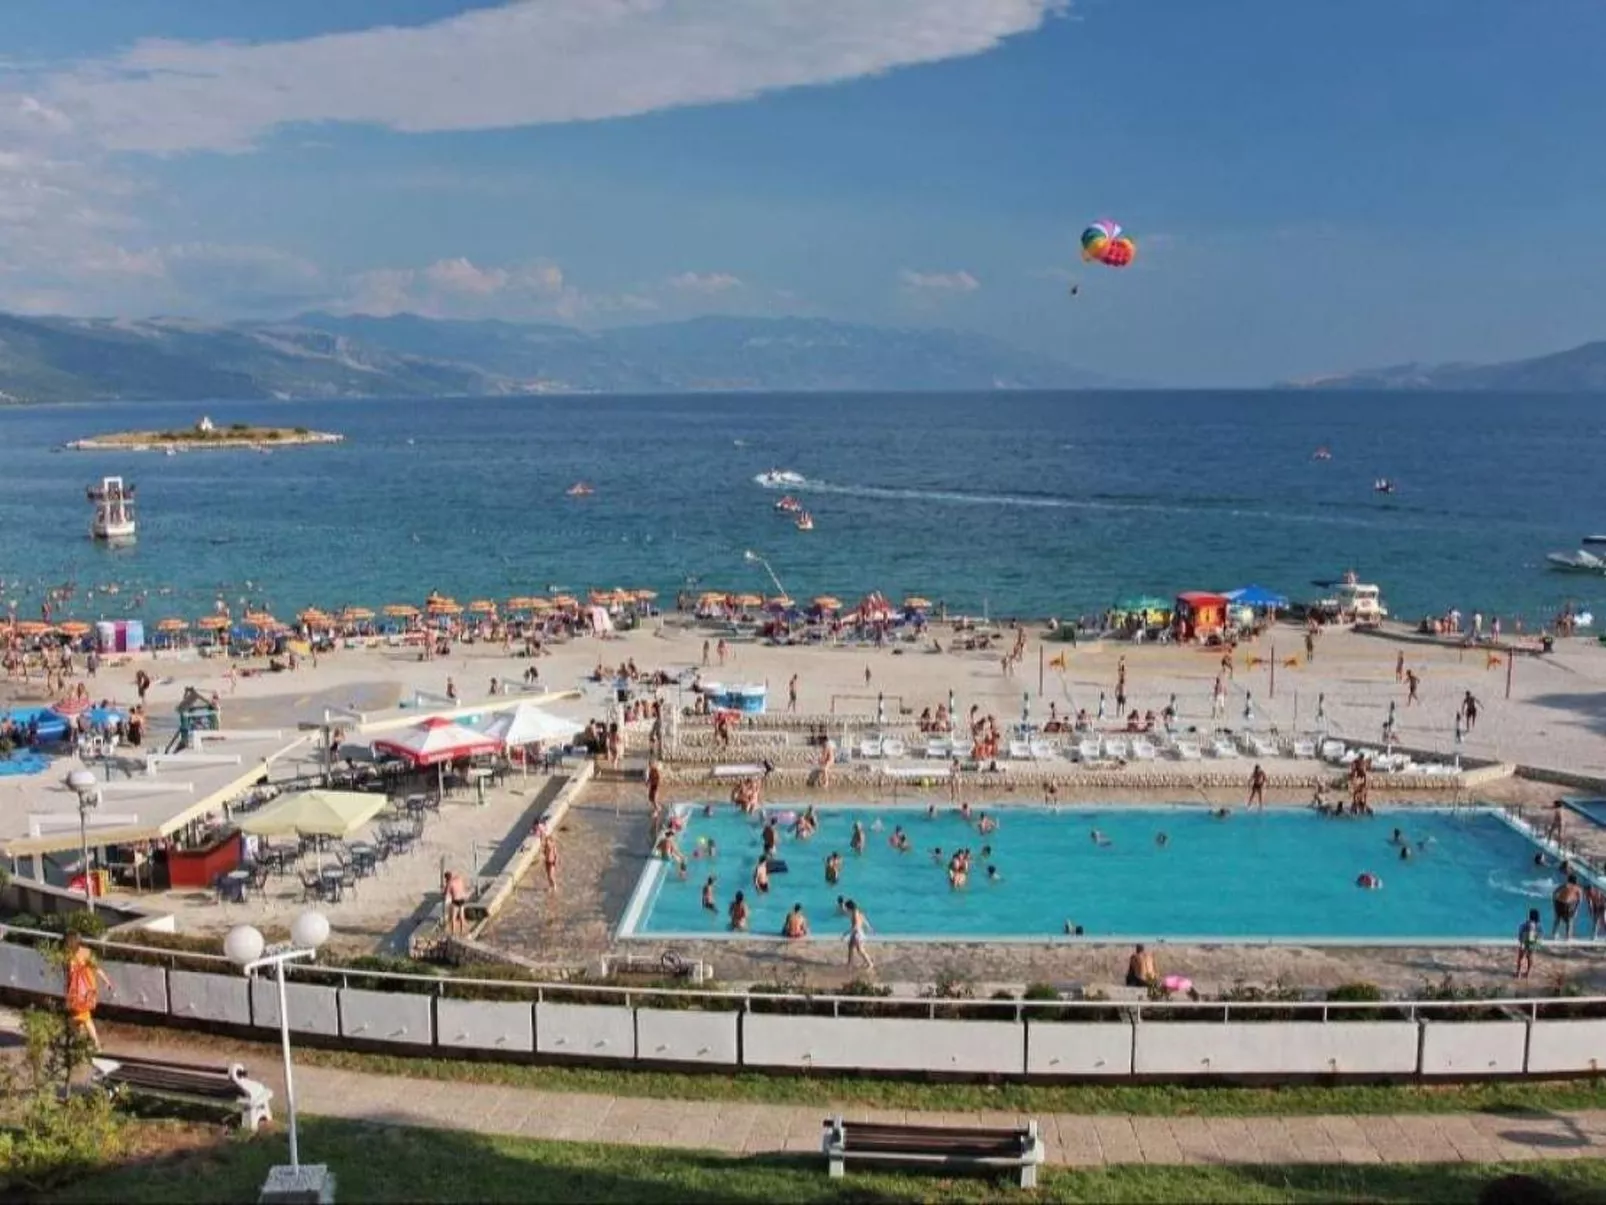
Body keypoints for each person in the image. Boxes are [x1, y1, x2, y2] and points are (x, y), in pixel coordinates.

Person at [63, 932, 114, 1051]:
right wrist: (107, 982)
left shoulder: (69, 956)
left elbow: (69, 975)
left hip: (78, 993)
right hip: (87, 991)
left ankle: (91, 1044)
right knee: (82, 1018)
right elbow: (97, 969)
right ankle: (87, 1043)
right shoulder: (86, 952)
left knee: (82, 1019)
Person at [1553, 874, 1583, 940]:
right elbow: (1580, 900)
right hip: (1566, 904)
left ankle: (1556, 934)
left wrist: (1554, 903)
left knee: (1559, 919)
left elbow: (1555, 893)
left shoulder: (1565, 886)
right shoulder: (1577, 888)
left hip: (1561, 903)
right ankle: (1567, 937)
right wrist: (1576, 909)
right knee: (1569, 921)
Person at [845, 899, 874, 970]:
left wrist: (846, 933)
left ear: (849, 908)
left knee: (860, 950)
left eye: (847, 908)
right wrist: (869, 927)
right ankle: (850, 964)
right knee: (850, 946)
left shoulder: (855, 914)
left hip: (857, 934)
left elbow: (856, 926)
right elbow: (864, 919)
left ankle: (870, 963)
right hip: (857, 933)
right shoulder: (857, 911)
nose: (846, 910)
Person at [1516, 908, 1542, 979]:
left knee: (1520, 957)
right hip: (1533, 942)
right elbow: (1540, 935)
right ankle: (1528, 973)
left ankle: (1518, 973)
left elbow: (1520, 932)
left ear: (1530, 916)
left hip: (1524, 941)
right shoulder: (1538, 926)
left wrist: (1520, 941)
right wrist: (1537, 943)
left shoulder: (1525, 924)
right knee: (1530, 957)